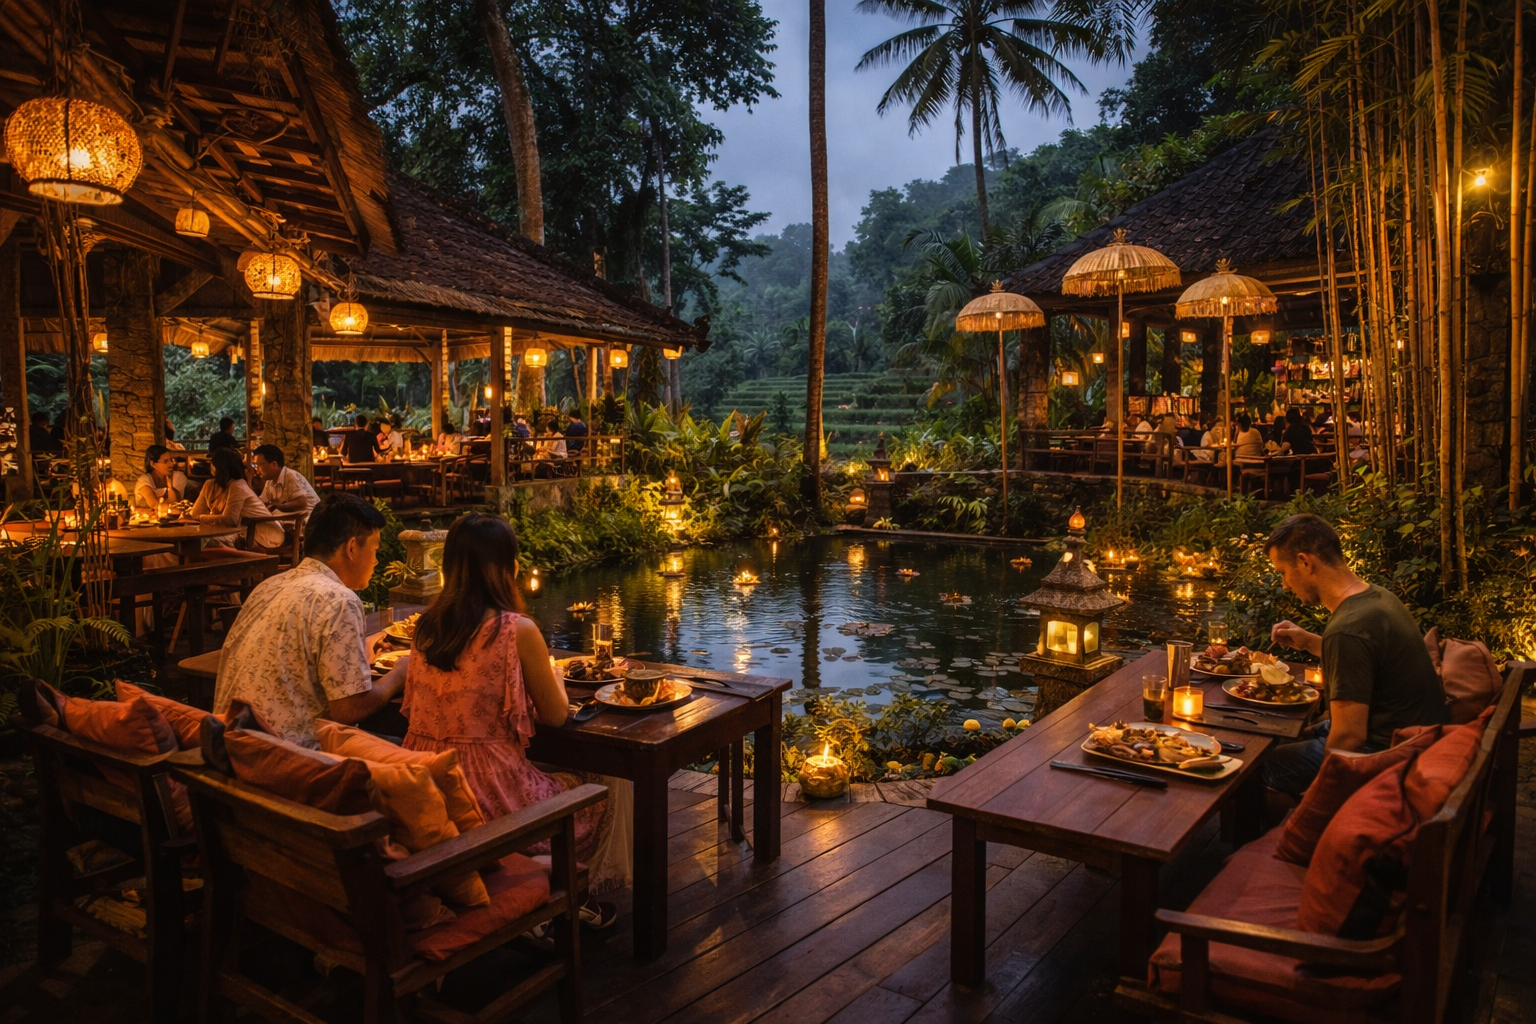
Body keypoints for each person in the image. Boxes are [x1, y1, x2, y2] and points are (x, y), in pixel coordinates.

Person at [401, 513, 631, 924]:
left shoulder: (425, 628)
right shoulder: (514, 630)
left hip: (425, 780)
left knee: (551, 768)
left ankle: (555, 892)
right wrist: (555, 676)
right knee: (609, 779)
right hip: (488, 790)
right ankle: (571, 895)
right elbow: (557, 716)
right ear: (505, 567)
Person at [1261, 514, 1447, 798]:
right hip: (1420, 741)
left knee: (1258, 764)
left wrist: (1322, 797)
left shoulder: (1347, 630)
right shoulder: (1377, 597)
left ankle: (1291, 836)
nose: (1285, 584)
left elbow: (1350, 737)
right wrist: (1309, 642)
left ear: (1305, 562)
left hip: (1389, 759)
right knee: (1292, 734)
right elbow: (1368, 657)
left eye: (1283, 572)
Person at [214, 494, 410, 748]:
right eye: (374, 549)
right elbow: (348, 709)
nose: (376, 560)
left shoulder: (270, 585)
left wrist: (365, 648)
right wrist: (398, 675)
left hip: (230, 745)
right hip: (285, 758)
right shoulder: (340, 600)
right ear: (351, 548)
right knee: (408, 748)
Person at [190, 447, 284, 548]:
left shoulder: (237, 485)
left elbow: (230, 520)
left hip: (264, 533)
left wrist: (201, 518)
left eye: (213, 464)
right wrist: (193, 516)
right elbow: (195, 513)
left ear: (219, 467)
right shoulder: (209, 485)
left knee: (203, 542)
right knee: (192, 540)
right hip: (236, 531)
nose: (211, 467)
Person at [252, 444, 320, 514]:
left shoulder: (290, 476)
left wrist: (278, 506)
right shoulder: (270, 481)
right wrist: (249, 479)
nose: (257, 469)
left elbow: (302, 502)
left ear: (274, 464)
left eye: (260, 464)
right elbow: (260, 503)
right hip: (291, 519)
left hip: (309, 519)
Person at [134, 445, 188, 510]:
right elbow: (153, 504)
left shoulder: (178, 477)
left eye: (171, 460)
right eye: (166, 461)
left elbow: (176, 502)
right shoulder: (144, 481)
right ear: (153, 464)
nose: (171, 464)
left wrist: (170, 487)